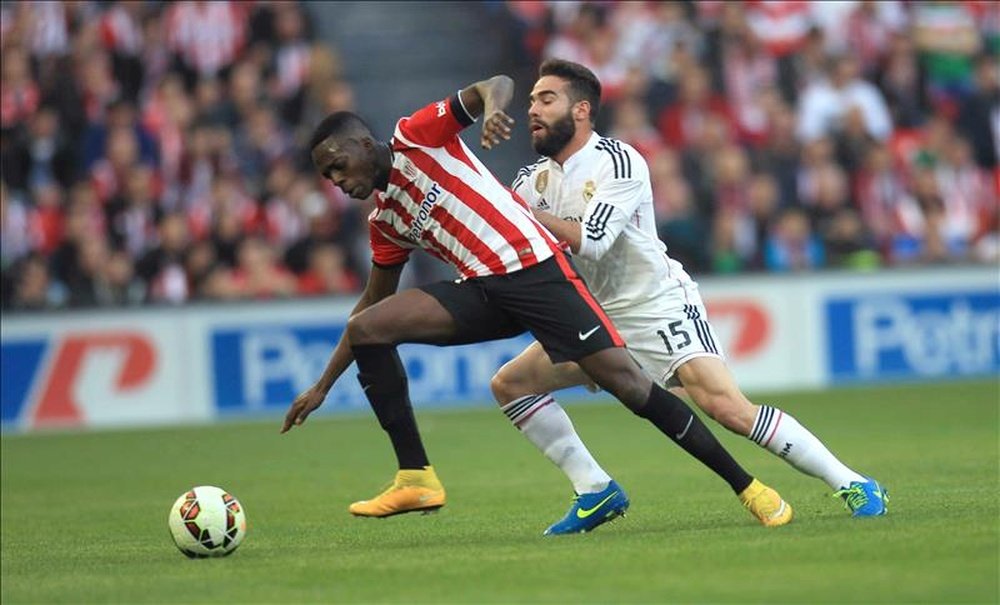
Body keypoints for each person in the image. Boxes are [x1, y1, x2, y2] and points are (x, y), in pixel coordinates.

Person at [281, 73, 792, 534]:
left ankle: (749, 487)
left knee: (631, 387)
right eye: (328, 178)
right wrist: (322, 385)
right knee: (371, 327)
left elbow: (492, 85)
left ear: (365, 145)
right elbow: (368, 307)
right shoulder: (386, 221)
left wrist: (494, 108)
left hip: (535, 270)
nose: (339, 182)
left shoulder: (416, 136)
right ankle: (416, 475)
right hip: (482, 289)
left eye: (339, 166)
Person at [492, 59, 888, 521]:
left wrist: (519, 212)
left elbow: (594, 242)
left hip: (655, 307)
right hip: (592, 316)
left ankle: (853, 483)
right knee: (511, 384)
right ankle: (595, 489)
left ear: (581, 110)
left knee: (728, 408)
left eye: (546, 99)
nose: (533, 110)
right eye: (531, 101)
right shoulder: (529, 181)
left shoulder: (619, 161)